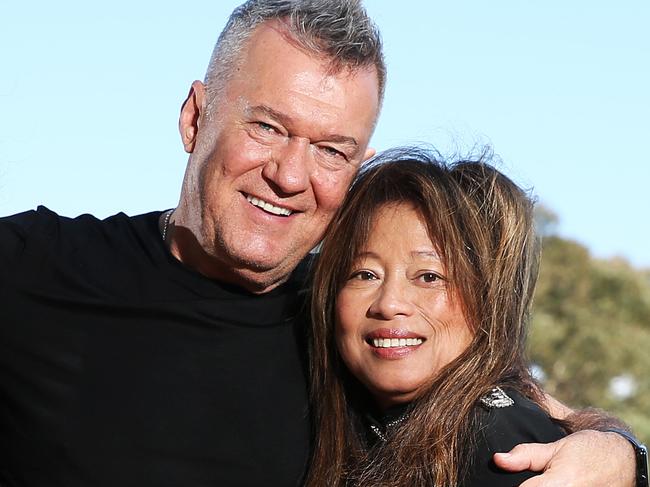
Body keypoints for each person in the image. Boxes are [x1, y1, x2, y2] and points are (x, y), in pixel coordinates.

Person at [0, 1, 643, 486]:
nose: (290, 174)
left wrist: (619, 454)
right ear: (195, 117)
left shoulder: (363, 328)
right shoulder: (33, 267)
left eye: (331, 150)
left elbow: (533, 421)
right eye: (268, 127)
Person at [307, 148, 568, 485]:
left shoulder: (504, 446)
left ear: (488, 299)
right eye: (365, 274)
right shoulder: (340, 421)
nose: (389, 304)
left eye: (429, 276)